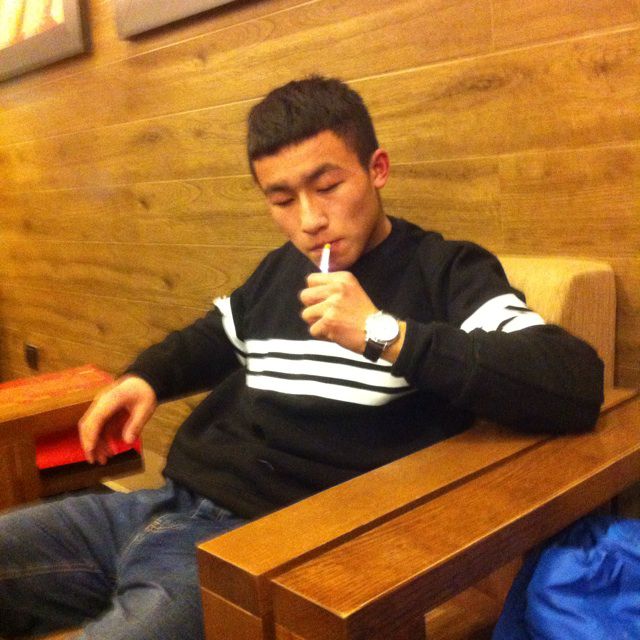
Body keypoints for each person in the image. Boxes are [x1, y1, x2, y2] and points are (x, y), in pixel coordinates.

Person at [0, 76, 604, 640]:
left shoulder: (443, 271)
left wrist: (382, 333)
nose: (310, 221)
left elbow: (571, 380)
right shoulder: (281, 270)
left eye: (328, 186)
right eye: (283, 199)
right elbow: (216, 335)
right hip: (161, 505)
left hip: (263, 549)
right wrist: (147, 377)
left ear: (377, 169)